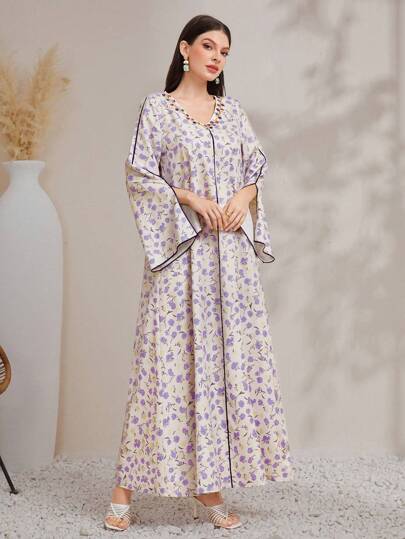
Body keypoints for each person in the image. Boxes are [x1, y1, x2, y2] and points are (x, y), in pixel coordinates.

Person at [104, 13, 294, 532]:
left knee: (218, 370)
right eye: (209, 46)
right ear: (184, 49)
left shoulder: (232, 113)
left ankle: (207, 487)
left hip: (229, 264)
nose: (217, 57)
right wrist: (189, 197)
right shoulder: (157, 109)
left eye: (224, 52)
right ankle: (123, 489)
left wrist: (244, 195)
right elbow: (140, 174)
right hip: (181, 259)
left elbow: (256, 167)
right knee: (163, 368)